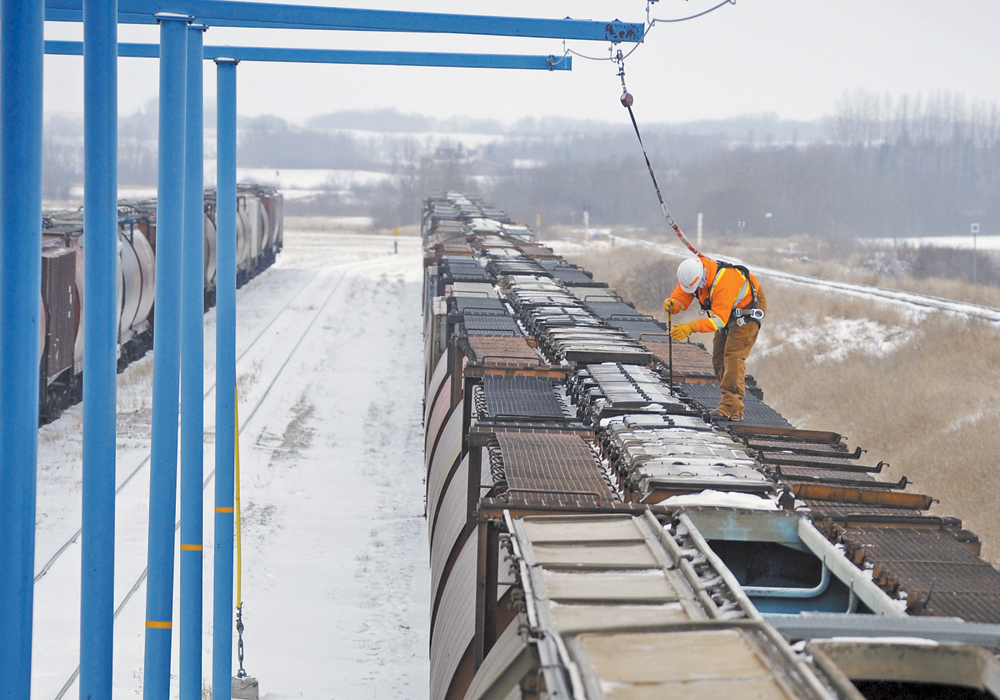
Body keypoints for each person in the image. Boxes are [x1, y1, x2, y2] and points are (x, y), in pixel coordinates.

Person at [663, 255, 767, 421]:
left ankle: (730, 406)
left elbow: (719, 320)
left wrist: (692, 327)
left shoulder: (724, 282)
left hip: (747, 310)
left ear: (702, 279)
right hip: (728, 311)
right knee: (718, 357)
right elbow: (684, 294)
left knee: (733, 356)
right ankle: (731, 403)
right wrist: (674, 303)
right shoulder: (692, 274)